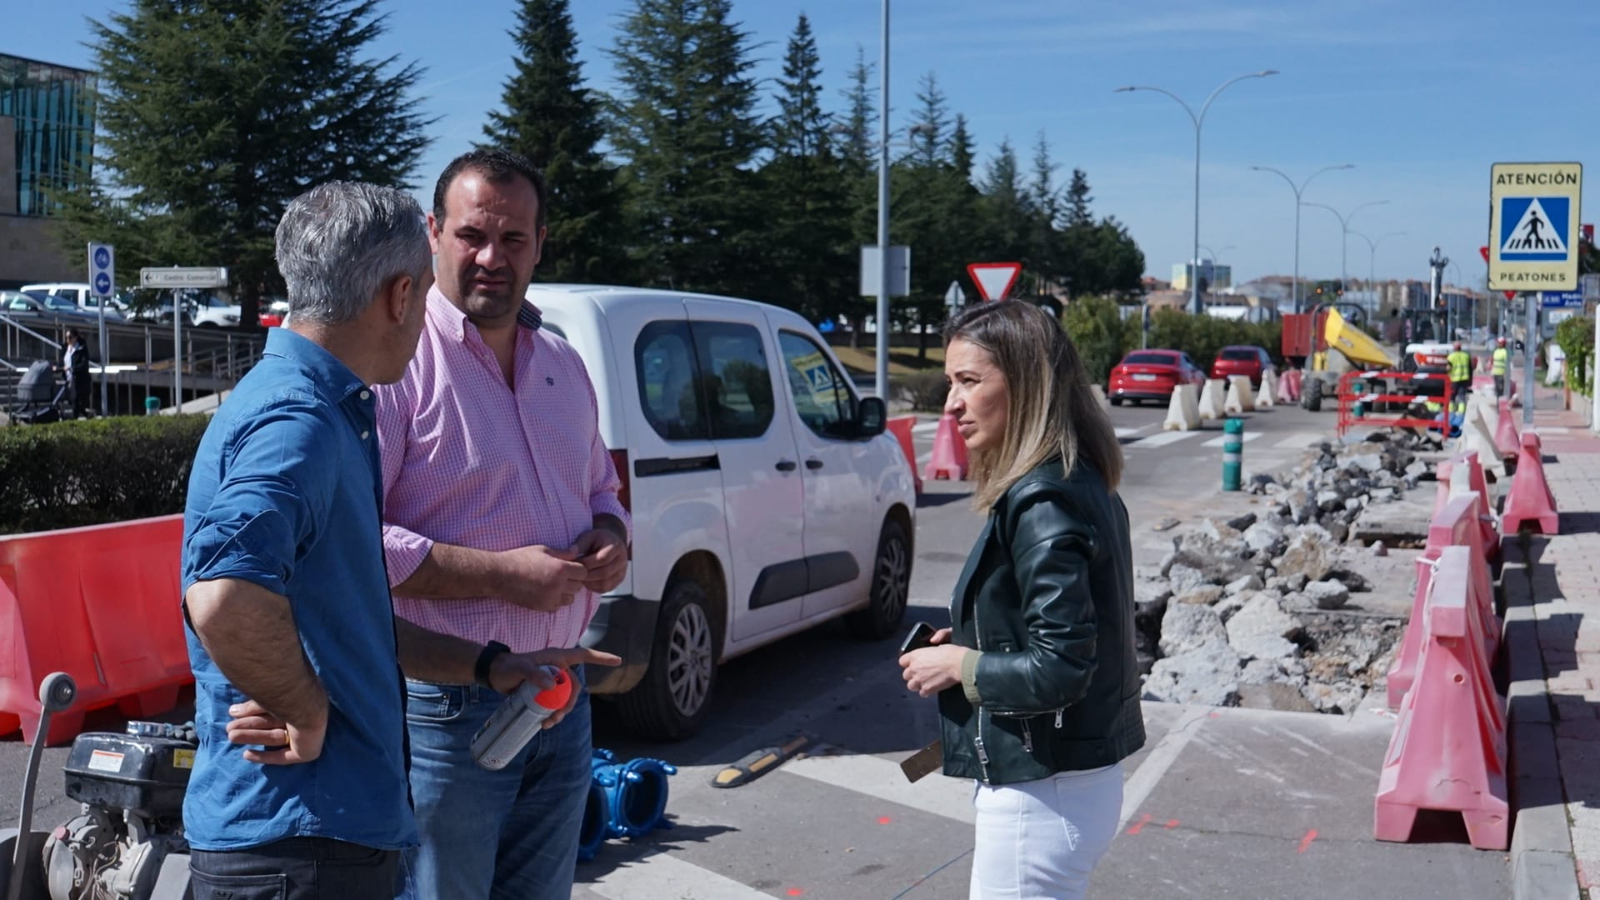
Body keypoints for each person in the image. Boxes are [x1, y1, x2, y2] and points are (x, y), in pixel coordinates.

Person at [180, 181, 617, 900]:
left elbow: (348, 616)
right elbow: (226, 598)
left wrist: (488, 664)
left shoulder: (322, 406)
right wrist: (304, 705)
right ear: (401, 293)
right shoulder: (300, 422)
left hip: (324, 837)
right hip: (301, 843)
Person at [375, 148, 631, 900]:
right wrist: (504, 575)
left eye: (513, 240)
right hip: (447, 703)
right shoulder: (398, 362)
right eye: (472, 235)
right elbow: (354, 541)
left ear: (540, 244)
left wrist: (612, 537)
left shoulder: (562, 361)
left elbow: (602, 491)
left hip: (561, 690)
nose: (492, 257)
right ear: (433, 232)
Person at [898, 300, 1144, 899]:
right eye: (950, 381)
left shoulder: (1041, 501)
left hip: (1043, 791)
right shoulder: (1077, 478)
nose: (950, 402)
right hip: (1067, 782)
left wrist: (961, 664)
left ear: (1027, 386)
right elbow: (1060, 630)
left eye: (969, 381)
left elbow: (1061, 666)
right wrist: (974, 644)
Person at [57, 327, 92, 418]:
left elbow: (84, 363)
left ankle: (75, 419)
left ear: (76, 337)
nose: (68, 340)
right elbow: (62, 361)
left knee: (76, 400)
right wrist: (58, 368)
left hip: (78, 379)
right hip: (67, 378)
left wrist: (72, 368)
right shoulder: (65, 348)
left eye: (70, 337)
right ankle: (85, 414)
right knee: (70, 399)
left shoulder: (81, 348)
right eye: (67, 337)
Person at [1446, 340, 1472, 417]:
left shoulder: (1451, 356)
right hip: (1464, 379)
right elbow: (1470, 369)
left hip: (1454, 379)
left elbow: (1448, 368)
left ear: (1454, 348)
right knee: (1462, 396)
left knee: (1452, 396)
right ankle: (1461, 412)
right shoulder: (1466, 356)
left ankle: (1451, 411)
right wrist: (1470, 380)